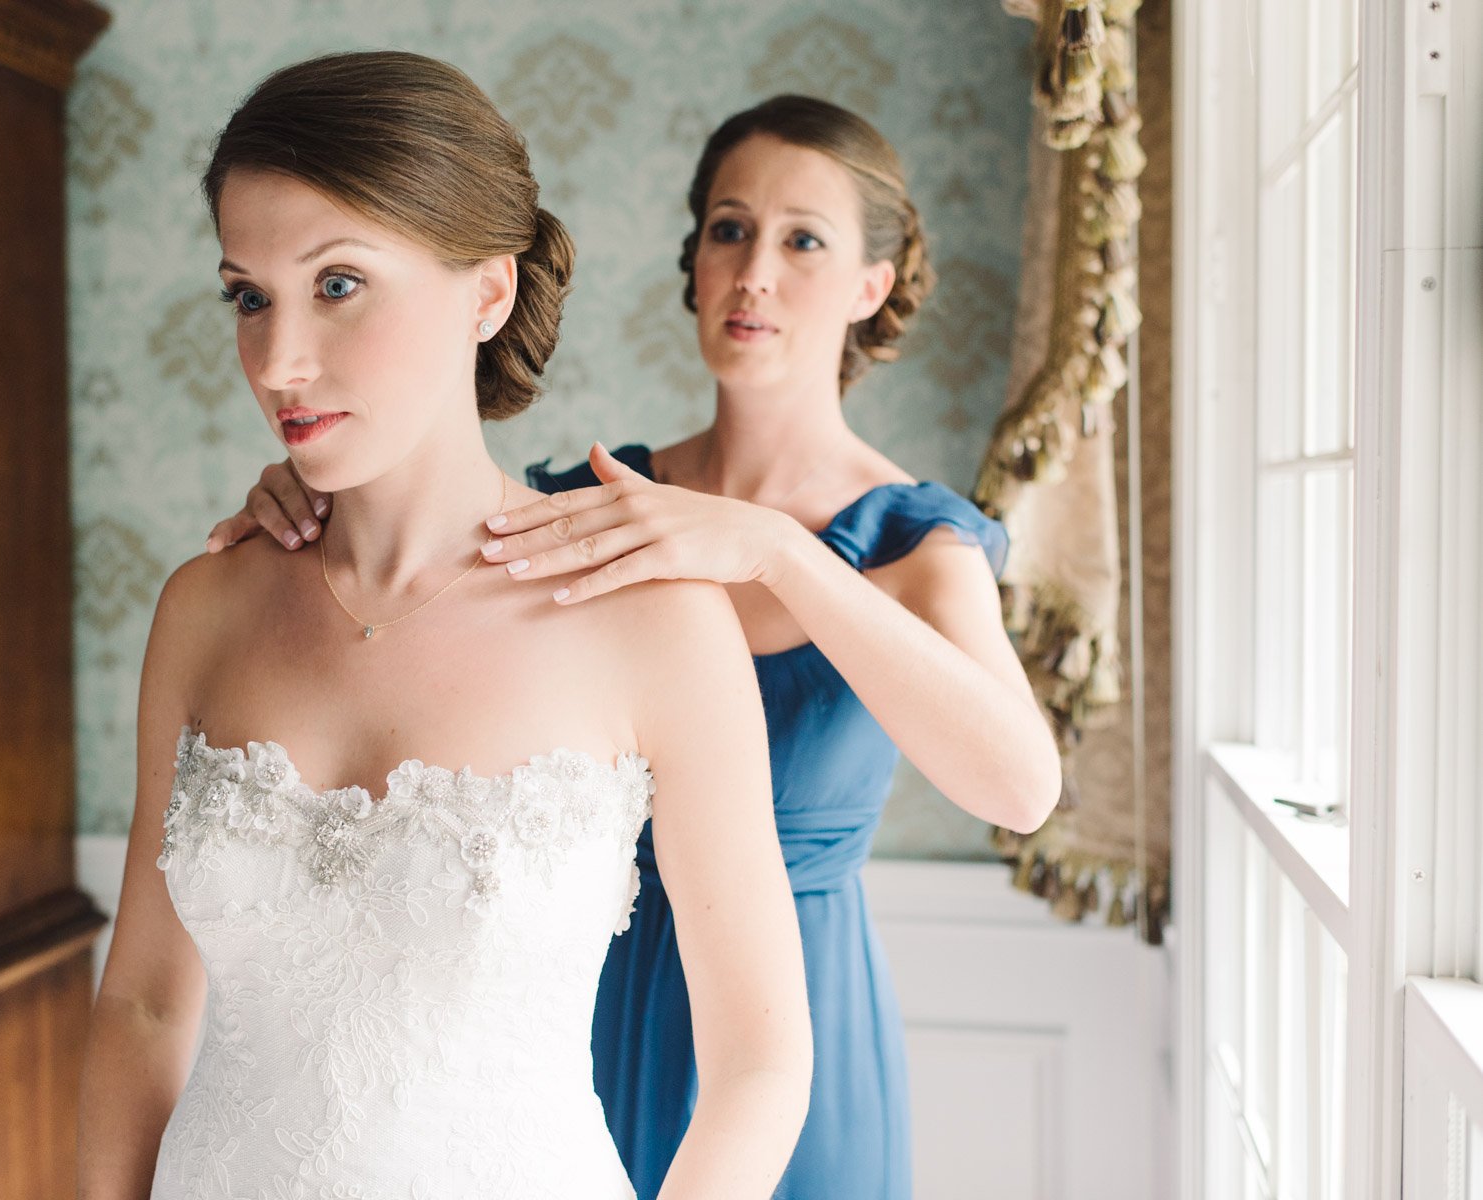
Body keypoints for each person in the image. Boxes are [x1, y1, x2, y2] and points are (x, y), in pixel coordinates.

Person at [211, 93, 1063, 1199]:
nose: (755, 270)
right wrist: (316, 481)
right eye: (728, 227)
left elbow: (1021, 786)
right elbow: (420, 536)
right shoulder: (591, 506)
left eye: (803, 239)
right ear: (695, 264)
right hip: (570, 1021)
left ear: (872, 287)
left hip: (793, 1031)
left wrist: (775, 554)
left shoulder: (914, 543)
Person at [78, 52, 813, 1200]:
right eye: (248, 295)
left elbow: (761, 1063)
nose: (277, 360)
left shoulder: (654, 621)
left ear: (487, 291)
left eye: (338, 284)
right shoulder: (206, 607)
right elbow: (142, 1001)